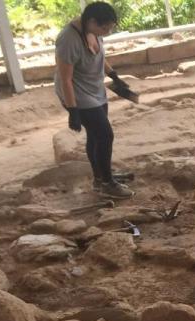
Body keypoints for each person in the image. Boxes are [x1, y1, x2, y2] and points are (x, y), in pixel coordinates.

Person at [54, 1, 133, 199]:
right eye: (104, 27)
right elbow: (66, 79)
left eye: (110, 27)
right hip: (77, 93)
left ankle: (100, 177)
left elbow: (99, 55)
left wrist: (113, 75)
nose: (107, 31)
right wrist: (73, 111)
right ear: (91, 21)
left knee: (96, 135)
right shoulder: (68, 39)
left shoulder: (94, 31)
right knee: (105, 135)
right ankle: (107, 183)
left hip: (94, 88)